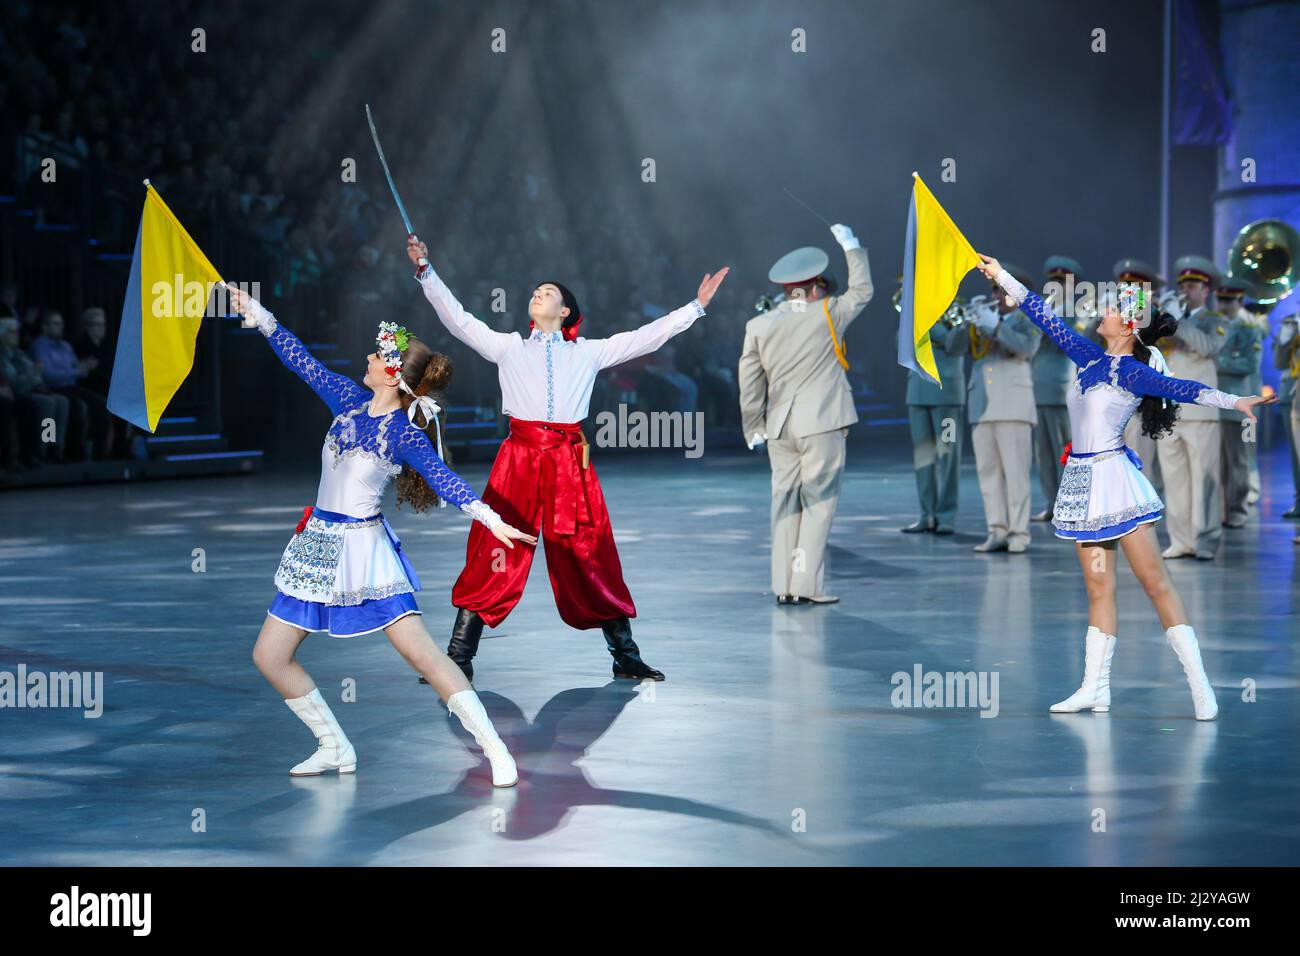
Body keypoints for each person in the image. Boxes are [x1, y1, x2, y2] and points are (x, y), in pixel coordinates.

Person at [227, 284, 536, 787]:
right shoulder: (347, 400)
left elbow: (443, 478)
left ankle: (495, 749)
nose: (367, 358)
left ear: (393, 373)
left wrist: (492, 519)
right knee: (269, 655)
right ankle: (334, 745)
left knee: (423, 655)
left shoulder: (403, 432)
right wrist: (257, 313)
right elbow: (297, 357)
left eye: (376, 355)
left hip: (362, 551)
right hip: (317, 545)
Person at [407, 235, 729, 682]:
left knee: (590, 550)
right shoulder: (509, 347)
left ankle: (626, 655)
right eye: (535, 290)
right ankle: (458, 657)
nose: (538, 293)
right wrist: (426, 271)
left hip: (567, 464)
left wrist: (695, 307)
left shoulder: (589, 352)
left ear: (565, 312)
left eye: (549, 291)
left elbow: (645, 338)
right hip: (518, 459)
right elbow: (458, 319)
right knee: (495, 548)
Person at [975, 254, 1275, 720]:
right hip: (1082, 483)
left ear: (1129, 325)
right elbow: (1042, 313)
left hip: (1115, 484)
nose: (1104, 311)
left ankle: (1201, 687)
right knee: (1098, 589)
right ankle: (1095, 688)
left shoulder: (1131, 371)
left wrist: (1237, 400)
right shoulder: (1089, 357)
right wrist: (1000, 275)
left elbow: (1186, 390)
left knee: (1155, 584)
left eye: (1114, 308)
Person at [740, 224, 874, 602]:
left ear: (786, 288)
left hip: (779, 426)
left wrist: (753, 427)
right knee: (818, 504)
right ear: (816, 286)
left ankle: (783, 586)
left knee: (784, 503)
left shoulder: (759, 324)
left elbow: (749, 384)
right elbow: (863, 290)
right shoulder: (827, 311)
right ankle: (806, 586)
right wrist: (850, 244)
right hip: (821, 423)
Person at [1156, 256, 1228, 559]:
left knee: (1205, 480)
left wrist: (1179, 322)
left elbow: (1208, 346)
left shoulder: (1216, 321)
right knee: (1174, 480)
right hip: (1169, 407)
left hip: (1201, 410)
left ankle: (1206, 540)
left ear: (1206, 289)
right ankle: (1181, 539)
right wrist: (1161, 320)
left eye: (1193, 285)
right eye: (1183, 285)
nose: (1186, 290)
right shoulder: (1171, 319)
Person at [967, 263, 1041, 553]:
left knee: (1016, 473)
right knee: (988, 473)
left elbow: (1027, 349)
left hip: (1013, 406)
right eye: (994, 290)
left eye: (1002, 290)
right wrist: (971, 323)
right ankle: (996, 529)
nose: (996, 296)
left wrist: (995, 327)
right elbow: (957, 348)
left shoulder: (1029, 318)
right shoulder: (988, 317)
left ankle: (1019, 533)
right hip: (982, 405)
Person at [901, 293, 968, 535]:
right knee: (923, 458)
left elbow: (956, 345)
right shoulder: (915, 309)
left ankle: (946, 515)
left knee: (948, 457)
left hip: (947, 394)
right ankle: (926, 514)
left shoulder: (959, 310)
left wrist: (929, 327)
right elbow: (902, 343)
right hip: (918, 393)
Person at [1031, 256, 1081, 521]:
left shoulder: (1079, 312)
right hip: (1038, 390)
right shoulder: (1041, 309)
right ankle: (1052, 502)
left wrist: (1045, 320)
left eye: (1062, 282)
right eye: (1053, 282)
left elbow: (1070, 343)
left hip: (1061, 391)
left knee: (1066, 453)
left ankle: (1070, 506)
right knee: (1044, 455)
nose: (1056, 287)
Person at [1213, 277, 1263, 528]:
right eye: (1220, 299)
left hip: (1243, 407)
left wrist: (1215, 364)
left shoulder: (1249, 328)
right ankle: (1223, 508)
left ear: (1240, 300)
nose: (1223, 305)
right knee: (1220, 462)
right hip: (1217, 405)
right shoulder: (1213, 325)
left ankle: (1238, 508)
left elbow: (1249, 365)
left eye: (1228, 300)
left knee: (1241, 460)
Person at [1272, 310, 1300, 521]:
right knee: (1296, 455)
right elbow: (1280, 363)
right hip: (1292, 393)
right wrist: (1285, 340)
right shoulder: (1291, 322)